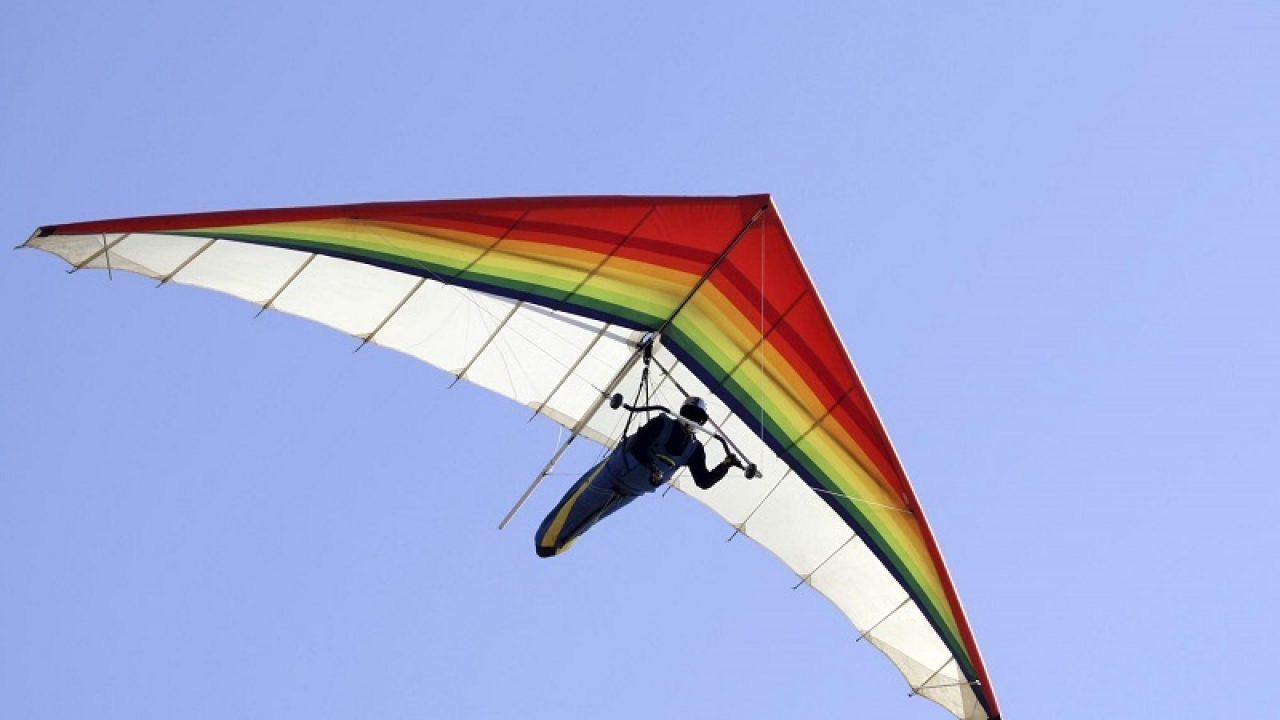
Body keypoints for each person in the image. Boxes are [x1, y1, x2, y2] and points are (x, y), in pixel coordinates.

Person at [535, 397, 740, 558]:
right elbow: (638, 447)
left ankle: (555, 545)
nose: (692, 420)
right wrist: (652, 467)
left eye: (697, 418)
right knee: (579, 507)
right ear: (682, 414)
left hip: (631, 491)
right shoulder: (662, 424)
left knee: (592, 518)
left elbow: (703, 481)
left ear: (701, 422)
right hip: (613, 474)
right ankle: (547, 540)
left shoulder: (694, 449)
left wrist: (725, 466)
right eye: (689, 414)